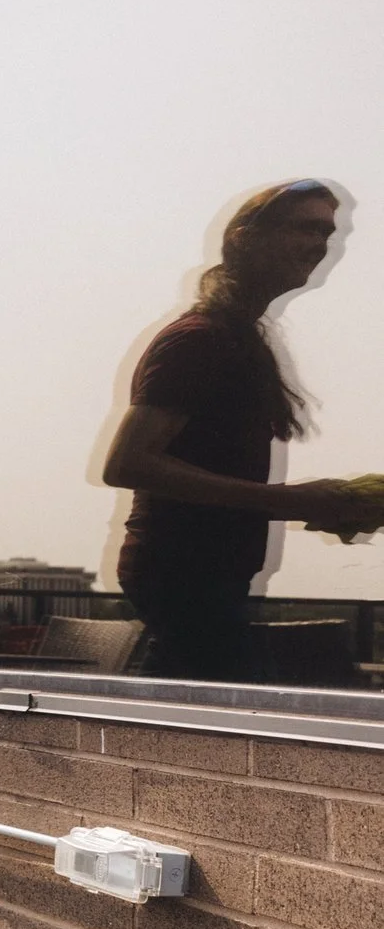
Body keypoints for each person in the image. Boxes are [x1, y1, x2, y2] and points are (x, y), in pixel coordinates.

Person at [103, 180, 374, 681]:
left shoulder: (232, 336)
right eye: (306, 228)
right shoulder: (199, 340)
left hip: (201, 573)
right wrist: (288, 501)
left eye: (328, 233)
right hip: (184, 573)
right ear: (247, 238)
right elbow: (127, 464)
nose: (321, 245)